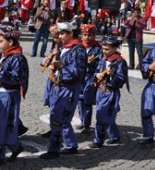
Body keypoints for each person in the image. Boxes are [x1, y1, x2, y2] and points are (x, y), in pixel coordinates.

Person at [40, 21, 86, 159]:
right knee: (59, 118)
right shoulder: (63, 47)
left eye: (62, 33)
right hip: (58, 86)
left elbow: (78, 73)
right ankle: (71, 145)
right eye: (59, 33)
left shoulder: (78, 49)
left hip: (69, 88)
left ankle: (54, 150)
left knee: (59, 119)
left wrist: (61, 66)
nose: (59, 36)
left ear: (71, 33)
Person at [0, 21, 29, 166]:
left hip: (9, 96)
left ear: (10, 42)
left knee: (1, 125)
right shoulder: (5, 56)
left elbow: (16, 78)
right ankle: (16, 147)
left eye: (1, 41)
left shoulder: (18, 58)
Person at [89, 36, 128, 148]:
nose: (104, 51)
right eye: (103, 48)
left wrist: (112, 76)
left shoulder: (119, 62)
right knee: (107, 115)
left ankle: (98, 140)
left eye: (107, 49)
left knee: (101, 115)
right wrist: (97, 75)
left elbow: (121, 80)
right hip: (100, 91)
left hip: (110, 92)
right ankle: (114, 136)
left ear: (115, 48)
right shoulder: (103, 59)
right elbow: (96, 71)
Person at [77, 24, 102, 134]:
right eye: (85, 35)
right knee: (79, 99)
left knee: (87, 100)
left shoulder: (97, 49)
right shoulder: (78, 47)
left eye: (90, 35)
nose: (87, 38)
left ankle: (87, 124)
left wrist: (94, 62)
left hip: (90, 77)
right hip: (79, 76)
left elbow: (101, 63)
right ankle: (81, 121)